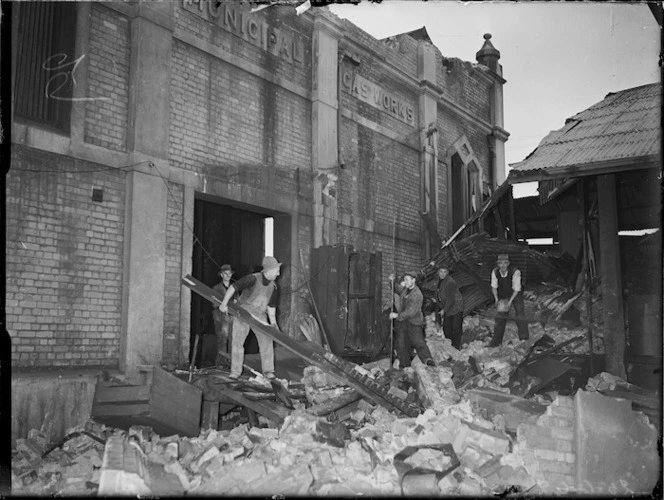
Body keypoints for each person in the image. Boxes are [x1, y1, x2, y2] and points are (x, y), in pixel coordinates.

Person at [218, 256, 282, 380]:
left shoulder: (273, 287)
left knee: (267, 341)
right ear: (269, 270)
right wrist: (224, 303)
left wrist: (273, 324)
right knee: (237, 342)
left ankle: (268, 371)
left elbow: (271, 306)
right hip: (243, 312)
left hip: (260, 315)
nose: (279, 273)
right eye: (277, 270)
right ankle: (235, 371)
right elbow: (233, 287)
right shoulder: (252, 279)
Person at [389, 271, 436, 368]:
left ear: (413, 280)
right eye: (404, 279)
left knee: (418, 342)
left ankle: (427, 360)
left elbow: (410, 312)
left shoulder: (417, 294)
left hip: (414, 322)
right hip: (402, 322)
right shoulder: (405, 290)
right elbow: (397, 289)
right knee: (401, 345)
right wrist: (391, 281)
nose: (405, 281)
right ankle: (405, 366)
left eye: (407, 279)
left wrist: (396, 315)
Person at [489, 253, 529, 347]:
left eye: (505, 263)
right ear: (498, 264)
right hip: (503, 294)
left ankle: (524, 338)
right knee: (500, 317)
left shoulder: (515, 272)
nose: (503, 265)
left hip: (515, 294)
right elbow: (494, 287)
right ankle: (496, 342)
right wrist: (496, 299)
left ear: (508, 263)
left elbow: (516, 289)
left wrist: (510, 302)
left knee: (519, 314)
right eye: (500, 263)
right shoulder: (495, 272)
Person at [435, 265, 464, 349]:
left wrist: (444, 310)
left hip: (456, 307)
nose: (442, 274)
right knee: (446, 328)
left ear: (447, 272)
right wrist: (437, 320)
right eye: (441, 271)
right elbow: (438, 299)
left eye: (445, 272)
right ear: (438, 272)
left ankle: (456, 346)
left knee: (456, 327)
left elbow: (450, 299)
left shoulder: (450, 282)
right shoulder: (438, 281)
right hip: (447, 306)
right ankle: (450, 345)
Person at [212, 264, 235, 365]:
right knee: (222, 340)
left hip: (232, 317)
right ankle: (221, 364)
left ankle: (231, 364)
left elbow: (238, 302)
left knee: (232, 340)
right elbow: (213, 303)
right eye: (225, 273)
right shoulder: (216, 288)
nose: (227, 275)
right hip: (220, 317)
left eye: (229, 273)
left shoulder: (234, 289)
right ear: (221, 275)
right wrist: (221, 305)